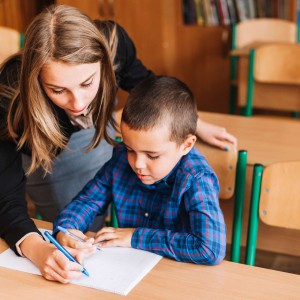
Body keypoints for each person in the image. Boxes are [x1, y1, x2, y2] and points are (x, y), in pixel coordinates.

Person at [0, 5, 233, 282]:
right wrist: (54, 239)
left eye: (87, 83)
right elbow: (9, 199)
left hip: (178, 273)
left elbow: (149, 88)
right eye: (58, 90)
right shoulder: (10, 97)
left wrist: (194, 123)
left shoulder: (114, 45)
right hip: (41, 147)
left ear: (104, 64)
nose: (78, 104)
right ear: (37, 82)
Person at [54, 76, 226, 265]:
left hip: (178, 276)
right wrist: (67, 229)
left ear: (186, 145)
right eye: (130, 149)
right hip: (131, 269)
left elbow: (209, 249)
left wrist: (135, 237)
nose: (138, 164)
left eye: (152, 156)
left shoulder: (196, 178)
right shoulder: (121, 161)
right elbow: (88, 201)